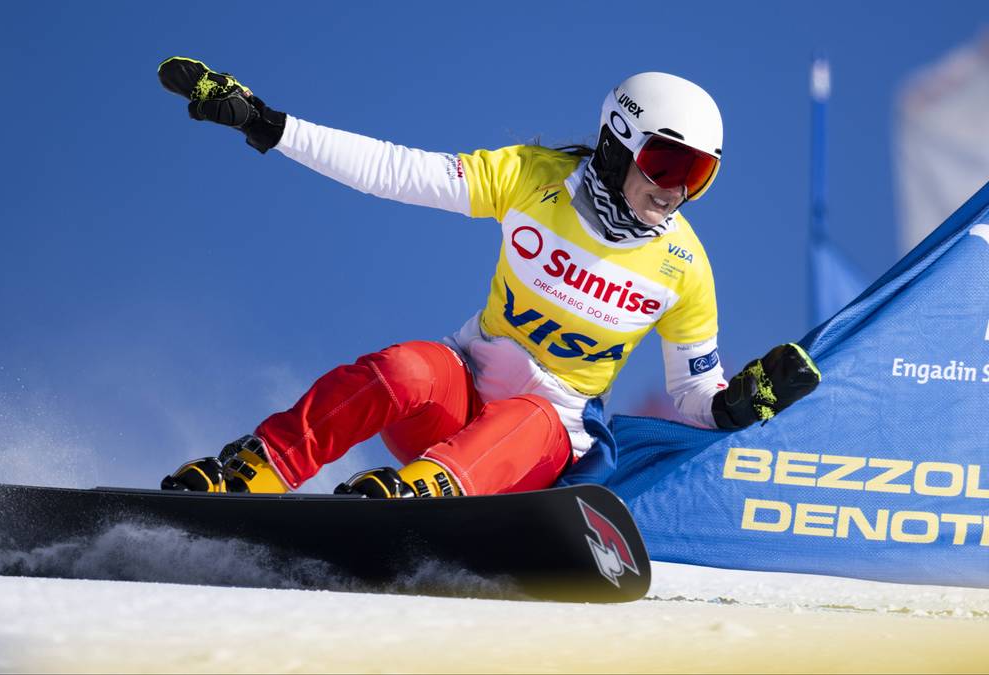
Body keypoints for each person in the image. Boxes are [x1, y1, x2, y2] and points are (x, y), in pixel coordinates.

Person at [156, 58, 821, 498]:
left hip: (535, 453)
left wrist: (735, 403)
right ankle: (256, 472)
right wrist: (270, 125)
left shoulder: (684, 268)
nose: (676, 190)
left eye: (698, 173)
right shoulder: (533, 179)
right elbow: (395, 171)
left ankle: (426, 496)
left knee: (534, 415)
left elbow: (694, 393)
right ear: (618, 140)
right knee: (409, 366)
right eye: (667, 162)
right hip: (450, 407)